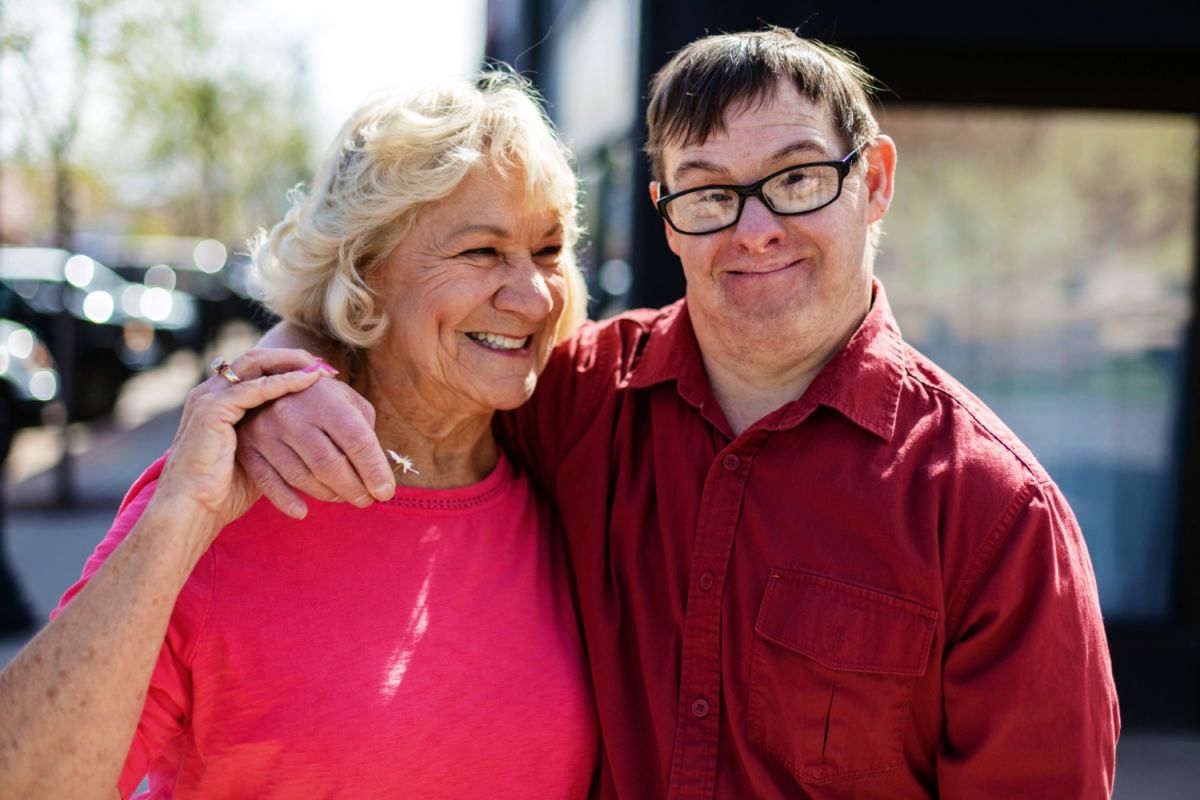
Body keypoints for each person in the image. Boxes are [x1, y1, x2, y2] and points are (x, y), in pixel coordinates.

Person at [241, 28, 1120, 798]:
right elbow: (393, 337)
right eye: (709, 192)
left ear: (876, 181)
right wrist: (288, 376)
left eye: (800, 178)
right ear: (666, 216)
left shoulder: (994, 516)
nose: (755, 229)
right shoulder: (576, 396)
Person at [0, 72, 597, 799]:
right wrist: (180, 519)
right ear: (362, 272)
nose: (534, 296)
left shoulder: (576, 468)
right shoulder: (232, 486)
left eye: (548, 249)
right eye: (481, 252)